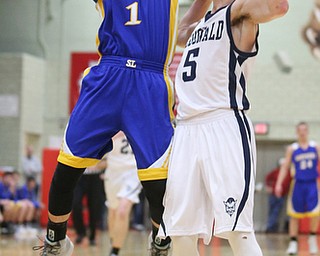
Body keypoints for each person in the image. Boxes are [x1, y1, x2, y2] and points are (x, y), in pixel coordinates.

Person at [32, 1, 212, 256]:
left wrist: (190, 22)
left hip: (149, 80)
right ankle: (55, 241)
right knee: (67, 168)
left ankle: (160, 243)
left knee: (159, 185)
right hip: (108, 73)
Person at [157, 0, 289, 255]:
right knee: (180, 233)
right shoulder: (202, 23)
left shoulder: (240, 13)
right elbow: (177, 34)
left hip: (223, 123)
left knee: (237, 230)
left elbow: (279, 7)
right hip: (185, 128)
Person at [275, 122, 320, 255]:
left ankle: (312, 239)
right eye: (300, 130)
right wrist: (279, 183)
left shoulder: (315, 147)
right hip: (298, 183)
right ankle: (293, 242)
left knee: (315, 213)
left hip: (312, 183)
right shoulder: (292, 149)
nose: (302, 132)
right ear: (296, 132)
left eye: (304, 130)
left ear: (308, 131)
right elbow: (285, 167)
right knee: (294, 214)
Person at [99, 131, 142, 256]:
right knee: (113, 211)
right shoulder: (111, 121)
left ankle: (115, 251)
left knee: (123, 210)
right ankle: (114, 242)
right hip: (113, 172)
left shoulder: (140, 121)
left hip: (133, 172)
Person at [71, 164, 105, 246]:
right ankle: (80, 233)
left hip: (95, 176)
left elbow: (107, 160)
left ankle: (92, 235)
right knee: (75, 203)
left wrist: (101, 166)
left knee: (94, 206)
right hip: (79, 175)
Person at [265, 158, 291, 233]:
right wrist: (268, 187)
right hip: (273, 195)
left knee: (277, 211)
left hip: (282, 195)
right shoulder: (275, 172)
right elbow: (267, 178)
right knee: (272, 211)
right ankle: (270, 227)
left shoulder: (289, 173)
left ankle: (273, 226)